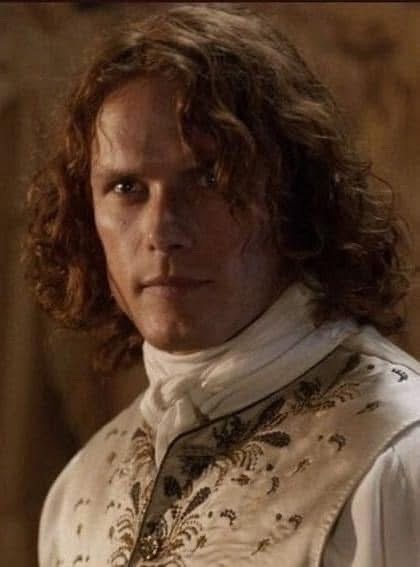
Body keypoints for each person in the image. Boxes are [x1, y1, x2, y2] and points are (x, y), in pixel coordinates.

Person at [25, 4, 420, 566]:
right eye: (128, 188)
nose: (161, 231)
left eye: (208, 178)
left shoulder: (398, 456)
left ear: (291, 196)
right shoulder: (79, 495)